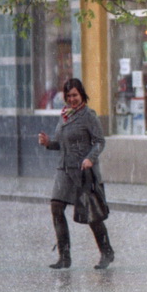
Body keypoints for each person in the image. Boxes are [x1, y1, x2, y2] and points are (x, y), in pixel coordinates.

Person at [38, 78, 115, 269]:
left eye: (74, 95)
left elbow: (99, 141)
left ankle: (106, 252)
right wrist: (49, 143)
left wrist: (90, 158)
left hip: (83, 171)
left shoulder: (89, 115)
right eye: (68, 96)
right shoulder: (64, 115)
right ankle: (64, 256)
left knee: (92, 214)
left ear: (81, 95)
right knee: (56, 207)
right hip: (64, 170)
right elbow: (62, 144)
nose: (71, 99)